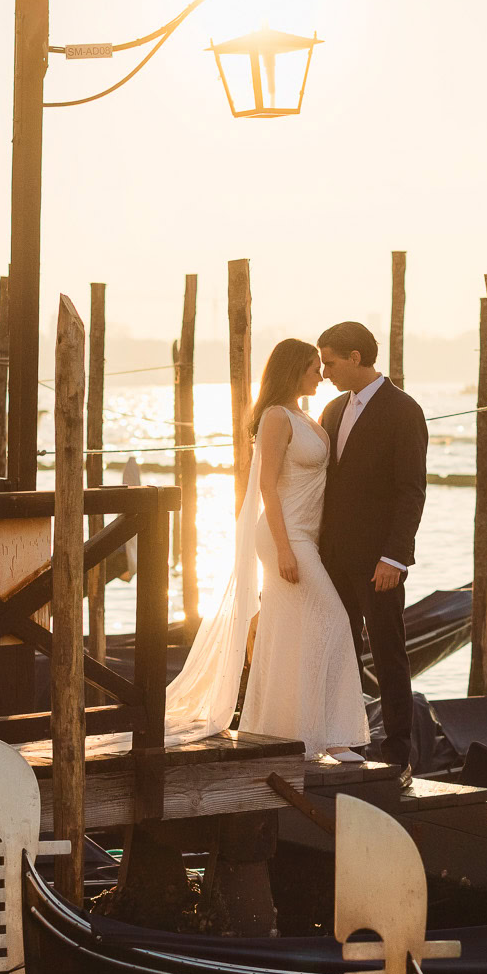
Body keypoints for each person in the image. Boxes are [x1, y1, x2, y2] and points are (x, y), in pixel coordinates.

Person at [162, 340, 369, 761]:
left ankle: (288, 733)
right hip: (284, 536)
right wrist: (284, 550)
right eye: (314, 367)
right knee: (334, 619)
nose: (321, 374)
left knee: (292, 632)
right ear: (294, 370)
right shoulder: (277, 417)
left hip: (305, 538)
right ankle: (327, 737)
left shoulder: (307, 416)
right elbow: (267, 487)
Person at [315, 322, 428, 781]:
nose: (324, 372)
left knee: (387, 651)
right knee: (334, 649)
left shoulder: (404, 411)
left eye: (330, 361)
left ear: (356, 357)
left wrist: (395, 557)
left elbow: (411, 491)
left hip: (379, 562)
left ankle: (399, 751)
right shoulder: (332, 409)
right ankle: (341, 737)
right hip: (331, 558)